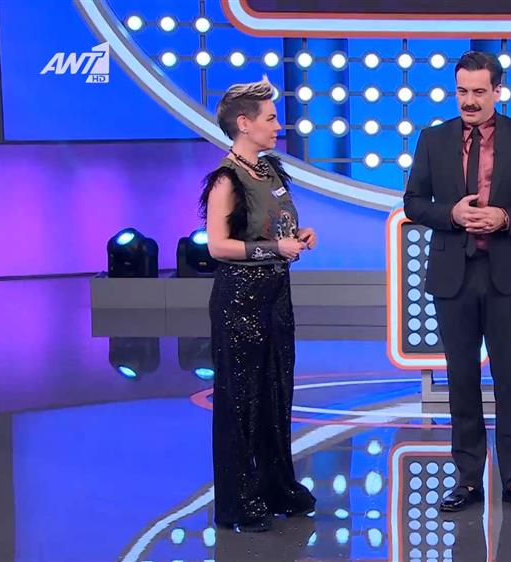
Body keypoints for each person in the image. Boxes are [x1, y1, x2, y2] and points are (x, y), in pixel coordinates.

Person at [403, 51, 511, 513]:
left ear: (497, 91)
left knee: (510, 379)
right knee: (461, 379)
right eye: (462, 91)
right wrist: (450, 214)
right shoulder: (433, 139)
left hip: (507, 275)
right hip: (453, 275)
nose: (469, 101)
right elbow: (413, 202)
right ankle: (468, 480)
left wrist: (505, 217)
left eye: (478, 92)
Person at [199, 79, 318, 532]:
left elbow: (276, 225)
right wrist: (274, 249)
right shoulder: (226, 180)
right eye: (270, 118)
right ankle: (240, 500)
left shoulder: (270, 171)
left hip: (276, 295)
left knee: (275, 392)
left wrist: (298, 237)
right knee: (241, 400)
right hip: (240, 299)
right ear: (244, 124)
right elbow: (217, 246)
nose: (278, 125)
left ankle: (276, 487)